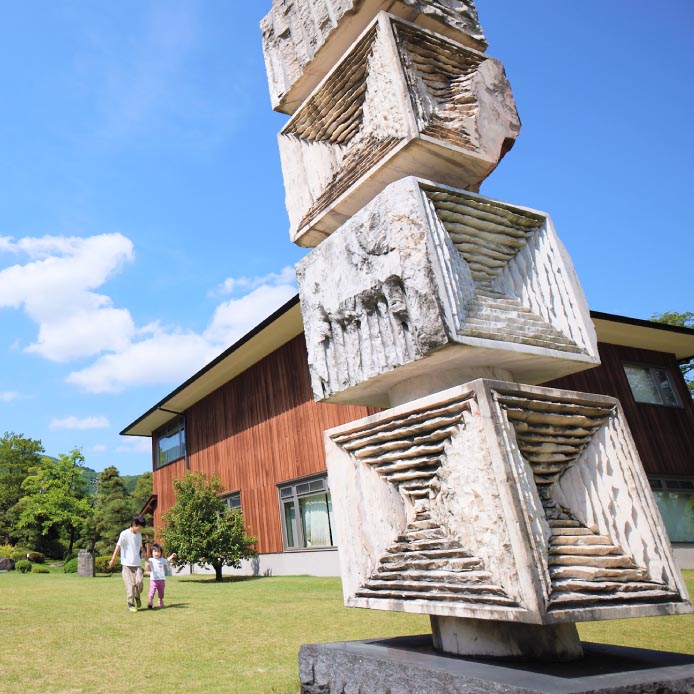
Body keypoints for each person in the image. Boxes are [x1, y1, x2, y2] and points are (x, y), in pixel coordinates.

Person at [109, 514, 146, 612]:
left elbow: (141, 546)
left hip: (137, 564)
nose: (140, 529)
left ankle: (137, 596)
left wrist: (145, 554)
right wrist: (113, 559)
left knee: (139, 582)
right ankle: (131, 604)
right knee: (131, 586)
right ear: (134, 524)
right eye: (139, 527)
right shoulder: (124, 534)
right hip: (127, 565)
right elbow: (118, 546)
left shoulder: (139, 535)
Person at [144, 543, 177, 609]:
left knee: (161, 592)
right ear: (152, 552)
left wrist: (172, 556)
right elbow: (146, 559)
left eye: (158, 551)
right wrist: (144, 553)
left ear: (161, 553)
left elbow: (167, 560)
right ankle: (150, 601)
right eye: (155, 551)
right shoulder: (151, 560)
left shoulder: (162, 560)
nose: (157, 553)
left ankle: (160, 600)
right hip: (153, 580)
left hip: (161, 580)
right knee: (152, 591)